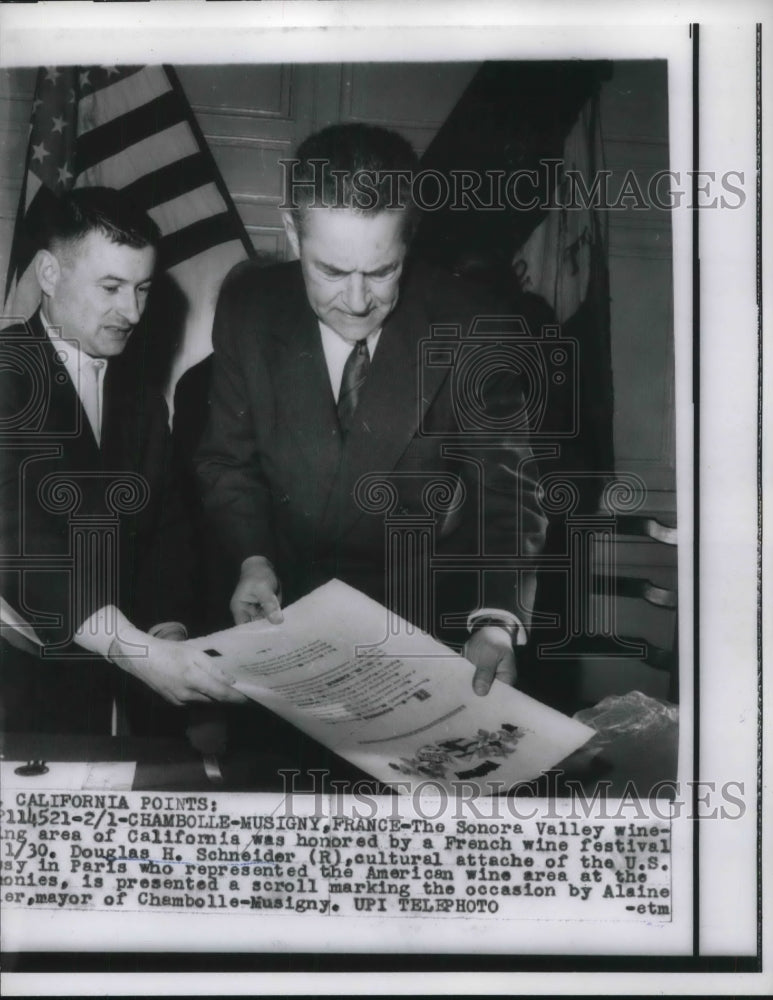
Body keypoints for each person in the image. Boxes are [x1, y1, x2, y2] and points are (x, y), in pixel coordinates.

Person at [196, 123, 547, 698]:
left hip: (423, 638)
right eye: (331, 271)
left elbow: (507, 489)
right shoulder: (250, 308)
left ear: (408, 239)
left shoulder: (473, 323)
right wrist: (252, 558)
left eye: (382, 271)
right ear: (291, 230)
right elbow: (226, 462)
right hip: (283, 629)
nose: (357, 302)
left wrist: (496, 620)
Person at [0, 187, 248, 734]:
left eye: (142, 288)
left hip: (100, 679)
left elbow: (165, 530)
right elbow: (20, 545)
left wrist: (169, 631)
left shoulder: (140, 399)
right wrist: (140, 654)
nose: (132, 311)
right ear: (47, 273)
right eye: (111, 287)